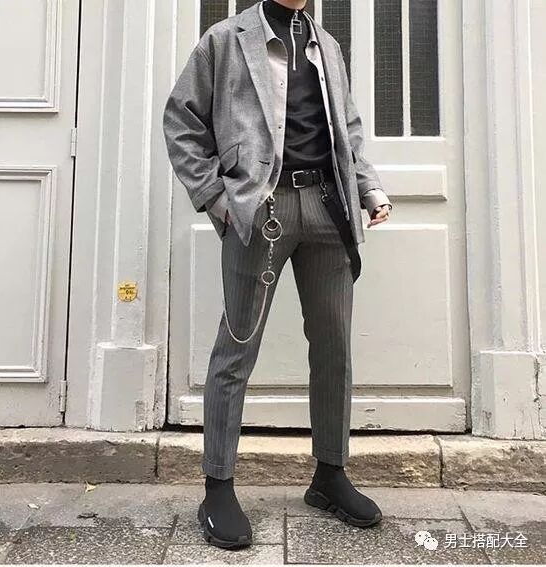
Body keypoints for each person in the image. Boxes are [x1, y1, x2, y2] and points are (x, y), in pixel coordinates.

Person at [162, 0, 392, 550]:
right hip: (259, 210)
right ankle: (218, 487)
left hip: (328, 207)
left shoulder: (326, 44)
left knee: (334, 347)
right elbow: (182, 122)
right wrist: (217, 199)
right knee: (236, 348)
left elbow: (347, 129)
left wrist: (368, 188)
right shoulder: (225, 39)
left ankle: (330, 474)